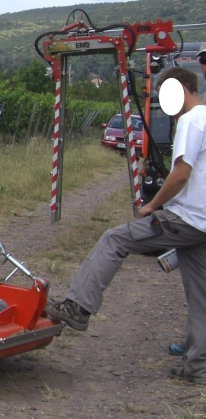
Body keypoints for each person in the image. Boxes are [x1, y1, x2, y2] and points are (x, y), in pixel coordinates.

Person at [47, 67, 206, 382]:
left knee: (115, 239)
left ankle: (78, 307)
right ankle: (199, 367)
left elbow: (181, 173)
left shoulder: (192, 120)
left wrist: (154, 204)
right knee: (200, 296)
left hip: (186, 218)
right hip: (202, 224)